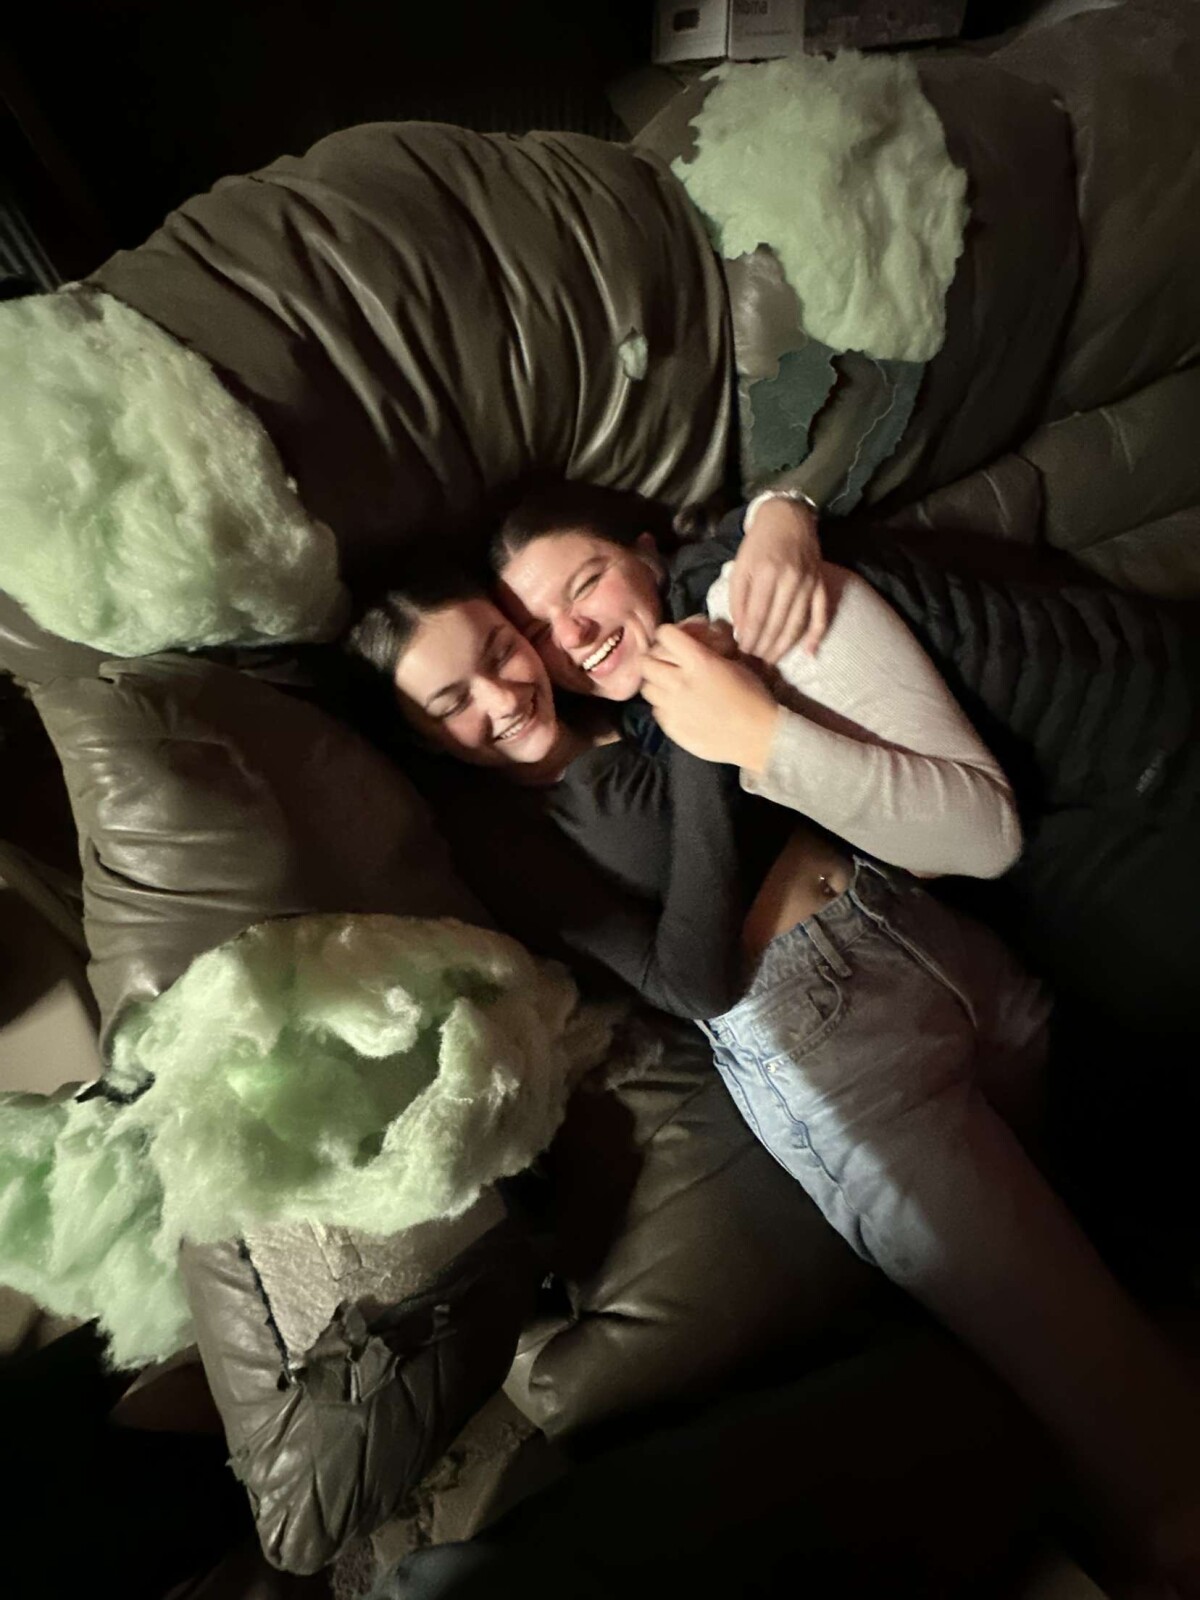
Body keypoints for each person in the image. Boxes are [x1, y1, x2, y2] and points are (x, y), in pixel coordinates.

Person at [347, 491, 1200, 1592]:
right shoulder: (511, 834)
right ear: (421, 737)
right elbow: (691, 979)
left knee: (1118, 1233)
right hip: (825, 1047)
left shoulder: (628, 687)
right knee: (1096, 1378)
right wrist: (712, 737)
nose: (505, 693)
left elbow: (716, 561)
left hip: (930, 937)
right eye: (451, 702)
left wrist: (779, 514)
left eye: (502, 651)